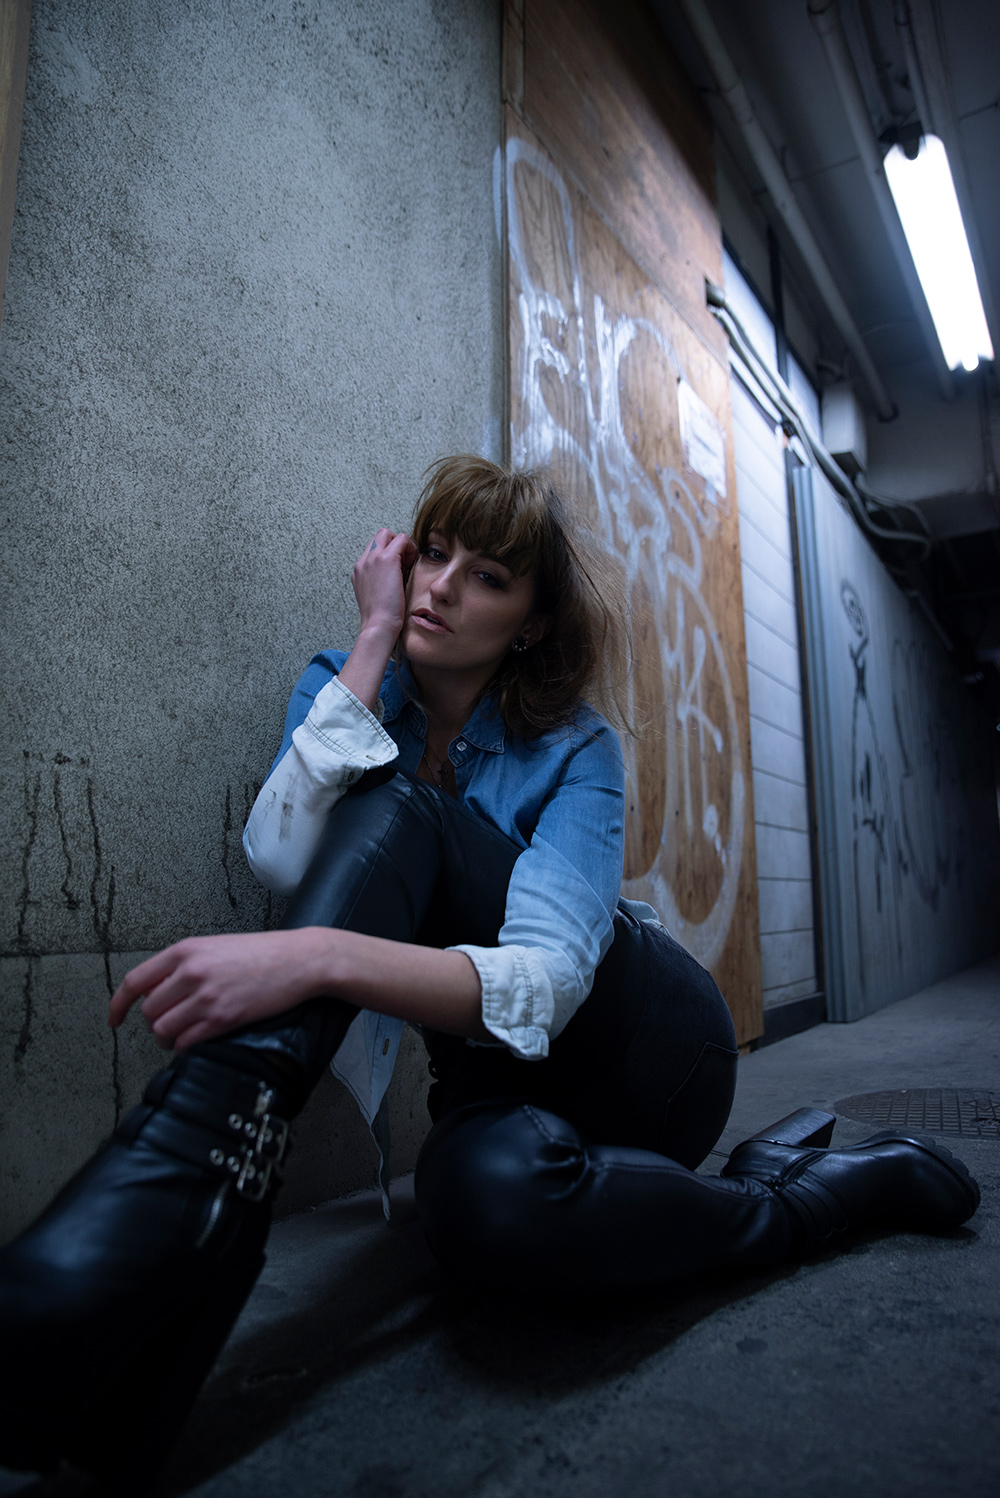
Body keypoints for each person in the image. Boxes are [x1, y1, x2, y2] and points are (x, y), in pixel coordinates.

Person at [0, 457, 979, 1489]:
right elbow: (282, 858)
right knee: (483, 1209)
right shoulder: (345, 684)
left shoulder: (576, 745)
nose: (439, 586)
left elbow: (548, 983)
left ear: (532, 623)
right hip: (494, 1077)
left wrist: (321, 955)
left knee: (405, 807)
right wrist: (372, 642)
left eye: (488, 576)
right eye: (432, 553)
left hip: (648, 1050)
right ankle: (207, 1200)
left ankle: (801, 1202)